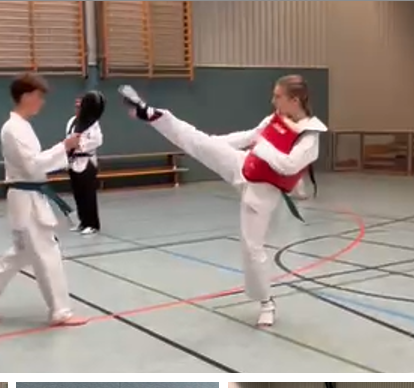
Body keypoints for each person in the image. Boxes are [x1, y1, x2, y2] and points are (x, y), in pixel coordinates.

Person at [118, 76, 327, 326]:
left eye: (278, 96)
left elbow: (289, 165)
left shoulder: (310, 135)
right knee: (197, 139)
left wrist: (262, 146)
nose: (273, 100)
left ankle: (266, 303)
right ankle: (151, 113)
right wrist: (213, 143)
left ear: (295, 100)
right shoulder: (275, 117)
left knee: (252, 249)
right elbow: (250, 136)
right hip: (242, 165)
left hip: (263, 192)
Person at [0, 73, 88, 327]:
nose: (41, 102)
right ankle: (60, 312)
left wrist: (65, 149)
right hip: (27, 200)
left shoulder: (21, 126)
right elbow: (33, 166)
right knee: (47, 254)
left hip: (27, 197)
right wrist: (64, 147)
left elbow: (35, 164)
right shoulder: (14, 128)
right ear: (25, 96)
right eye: (38, 96)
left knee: (21, 253)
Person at [65, 92, 104, 235]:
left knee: (88, 195)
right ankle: (83, 222)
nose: (77, 109)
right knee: (78, 194)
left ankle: (93, 224)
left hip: (87, 161)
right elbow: (68, 138)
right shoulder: (72, 121)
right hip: (73, 161)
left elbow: (97, 140)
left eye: (79, 106)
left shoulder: (92, 122)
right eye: (76, 106)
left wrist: (80, 145)